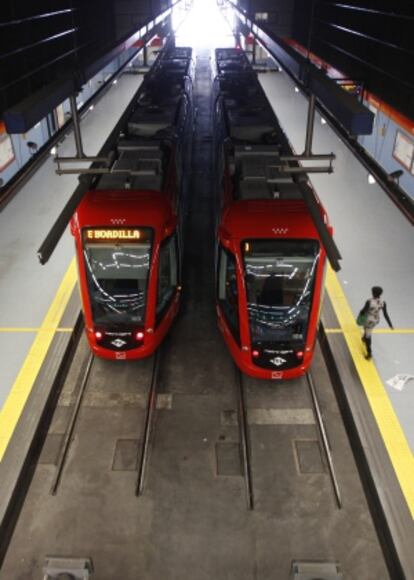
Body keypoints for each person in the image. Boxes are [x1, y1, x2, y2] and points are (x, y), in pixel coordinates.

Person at [359, 286, 393, 360]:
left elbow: (364, 310)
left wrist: (360, 314)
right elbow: (385, 314)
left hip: (368, 320)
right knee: (368, 330)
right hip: (376, 319)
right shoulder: (383, 302)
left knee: (368, 334)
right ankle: (364, 337)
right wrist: (390, 324)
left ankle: (369, 353)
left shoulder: (369, 301)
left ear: (373, 293)